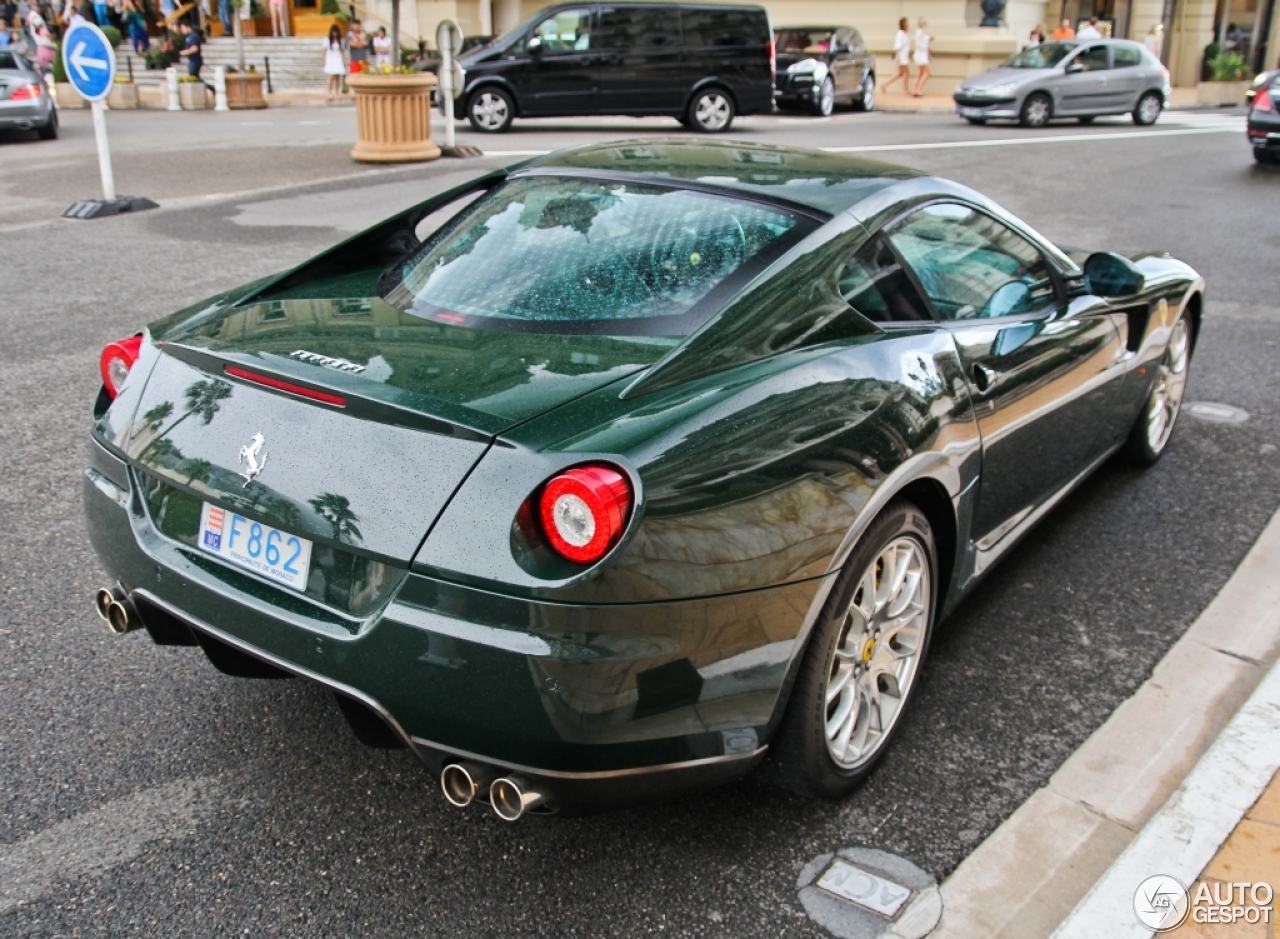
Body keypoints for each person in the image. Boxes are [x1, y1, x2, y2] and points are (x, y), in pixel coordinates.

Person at [883, 17, 911, 94]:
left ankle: (884, 84)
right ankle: (905, 89)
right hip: (901, 57)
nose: (908, 24)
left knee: (899, 73)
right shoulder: (900, 34)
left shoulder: (906, 34)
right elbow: (897, 47)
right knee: (906, 73)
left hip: (904, 57)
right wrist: (898, 57)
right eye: (907, 22)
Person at [323, 23, 344, 100]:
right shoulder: (327, 40)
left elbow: (342, 51)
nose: (335, 34)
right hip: (330, 59)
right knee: (330, 77)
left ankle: (337, 93)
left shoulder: (341, 40)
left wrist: (343, 61)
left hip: (338, 59)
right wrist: (324, 60)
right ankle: (329, 93)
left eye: (336, 32)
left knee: (337, 77)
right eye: (333, 32)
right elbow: (324, 51)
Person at [911, 18, 931, 97]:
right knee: (927, 72)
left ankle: (915, 90)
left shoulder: (921, 32)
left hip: (920, 55)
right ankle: (918, 89)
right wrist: (926, 47)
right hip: (921, 55)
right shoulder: (920, 32)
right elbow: (918, 44)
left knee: (919, 73)